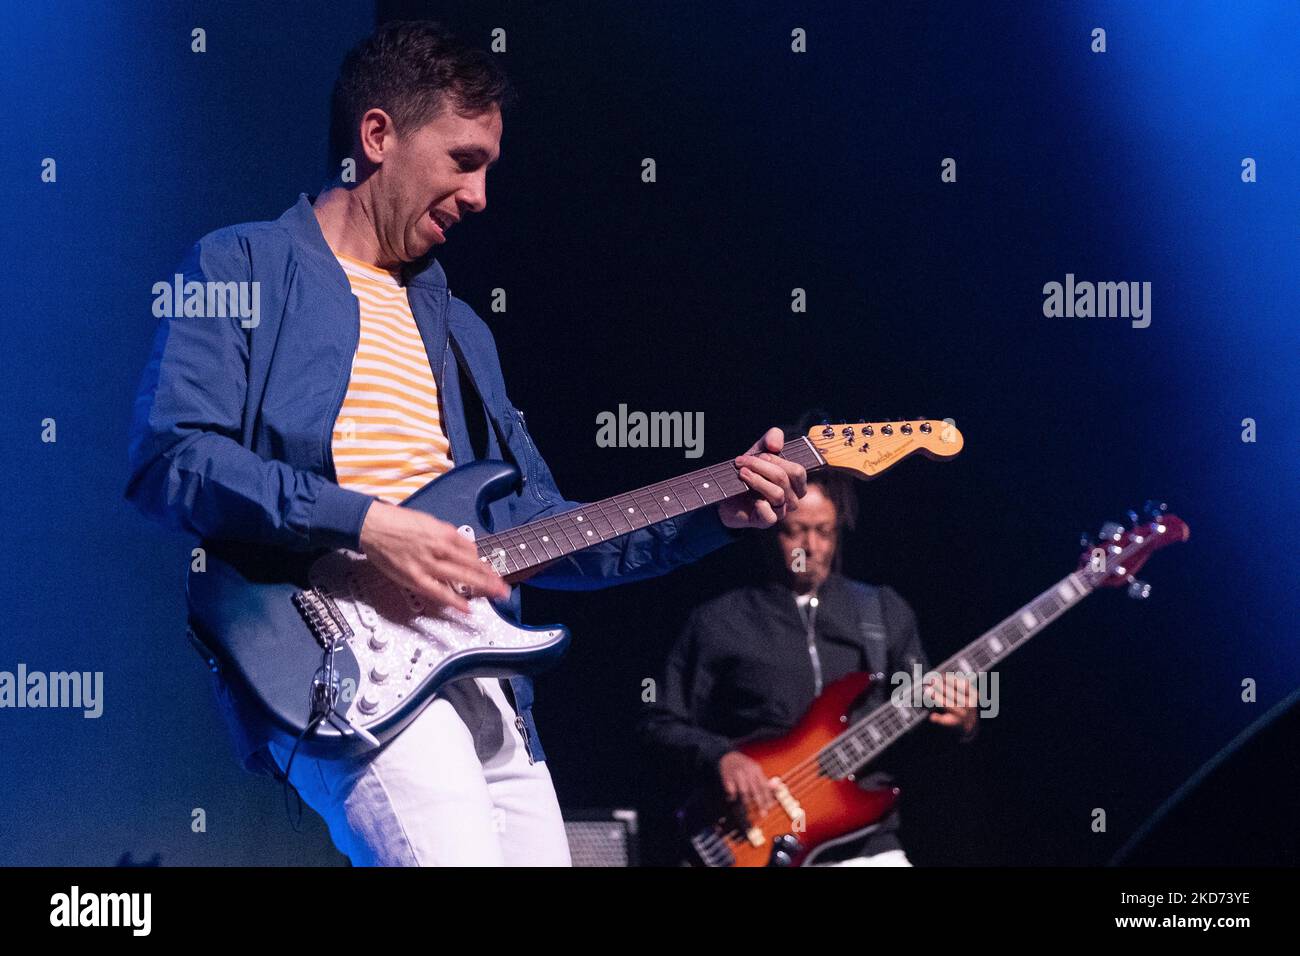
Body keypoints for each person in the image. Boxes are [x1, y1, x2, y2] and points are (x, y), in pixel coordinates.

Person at [124, 20, 806, 866]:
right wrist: (371, 524)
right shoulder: (239, 267)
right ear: (378, 136)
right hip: (339, 660)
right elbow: (172, 459)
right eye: (463, 160)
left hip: (484, 680)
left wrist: (713, 511)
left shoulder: (460, 332)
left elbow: (551, 530)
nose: (481, 195)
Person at [639, 464, 977, 865]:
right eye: (795, 531)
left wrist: (962, 722)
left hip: (866, 844)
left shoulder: (884, 611)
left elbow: (917, 738)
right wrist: (720, 756)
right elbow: (658, 720)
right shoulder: (717, 621)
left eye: (824, 531)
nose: (811, 547)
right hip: (752, 839)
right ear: (768, 532)